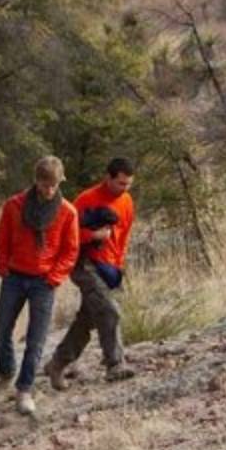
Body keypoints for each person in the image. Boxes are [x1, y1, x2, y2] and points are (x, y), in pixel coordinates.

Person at [0, 155, 80, 415]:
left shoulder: (67, 211)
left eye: (53, 185)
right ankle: (6, 372)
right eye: (45, 184)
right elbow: (2, 239)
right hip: (15, 276)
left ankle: (25, 389)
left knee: (36, 339)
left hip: (44, 281)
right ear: (36, 181)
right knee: (1, 328)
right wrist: (2, 267)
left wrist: (55, 277)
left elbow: (70, 250)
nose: (49, 190)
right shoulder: (14, 206)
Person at [44, 157, 137, 389]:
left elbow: (123, 237)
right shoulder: (86, 200)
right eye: (120, 184)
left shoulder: (127, 201)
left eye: (128, 184)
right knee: (109, 311)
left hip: (109, 267)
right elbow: (66, 233)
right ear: (108, 177)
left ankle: (57, 363)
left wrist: (118, 266)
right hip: (84, 264)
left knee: (88, 320)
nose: (124, 189)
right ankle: (115, 364)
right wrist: (92, 237)